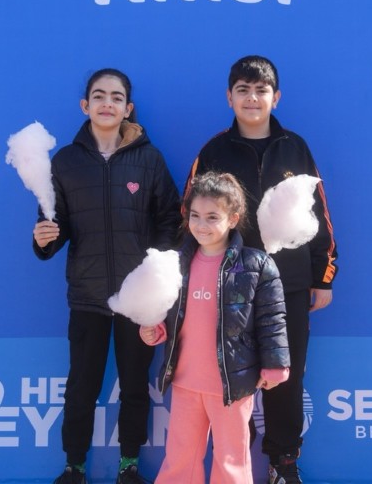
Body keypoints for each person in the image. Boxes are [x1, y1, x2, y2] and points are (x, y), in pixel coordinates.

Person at [186, 56, 337, 484]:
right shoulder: (213, 151)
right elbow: (191, 215)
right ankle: (237, 462)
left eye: (261, 90)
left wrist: (322, 277)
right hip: (230, 284)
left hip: (288, 284)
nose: (252, 99)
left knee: (286, 374)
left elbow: (320, 216)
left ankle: (283, 462)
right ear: (229, 97)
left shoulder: (295, 147)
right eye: (243, 90)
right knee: (235, 375)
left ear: (276, 97)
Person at [33, 68, 183, 484]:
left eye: (116, 97)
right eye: (99, 96)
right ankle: (74, 466)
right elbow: (52, 226)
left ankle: (129, 465)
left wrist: (156, 271)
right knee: (82, 385)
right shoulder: (65, 162)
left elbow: (170, 221)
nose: (107, 103)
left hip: (139, 300)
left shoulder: (149, 160)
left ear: (127, 108)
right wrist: (43, 240)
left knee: (135, 385)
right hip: (88, 296)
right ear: (85, 105)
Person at [141, 171, 289, 484]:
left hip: (232, 385)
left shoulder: (257, 265)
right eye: (195, 216)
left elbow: (272, 320)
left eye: (212, 217)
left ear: (233, 219)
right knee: (180, 456)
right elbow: (166, 314)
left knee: (231, 458)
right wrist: (154, 330)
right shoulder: (174, 264)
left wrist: (275, 365)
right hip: (185, 380)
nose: (201, 225)